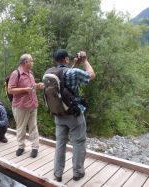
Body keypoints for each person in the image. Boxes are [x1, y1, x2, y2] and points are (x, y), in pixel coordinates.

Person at [52, 49, 95, 182]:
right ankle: (78, 172)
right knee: (78, 142)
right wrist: (85, 60)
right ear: (66, 59)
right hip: (73, 114)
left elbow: (64, 80)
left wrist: (75, 64)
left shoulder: (51, 73)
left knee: (60, 143)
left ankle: (58, 173)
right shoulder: (73, 72)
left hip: (58, 114)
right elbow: (91, 75)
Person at [8, 53, 44, 158]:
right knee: (21, 128)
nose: (33, 63)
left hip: (32, 105)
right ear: (25, 62)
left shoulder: (30, 73)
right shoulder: (16, 74)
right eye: (31, 61)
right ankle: (21, 146)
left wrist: (37, 86)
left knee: (33, 127)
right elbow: (10, 90)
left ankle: (35, 147)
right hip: (20, 106)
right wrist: (25, 89)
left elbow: (31, 87)